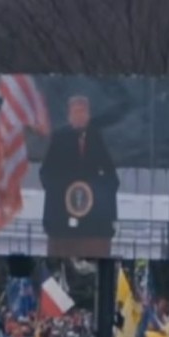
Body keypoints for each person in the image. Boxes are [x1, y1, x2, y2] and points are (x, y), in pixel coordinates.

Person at [39, 95, 119, 258]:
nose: (79, 115)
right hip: (62, 223)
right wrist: (63, 188)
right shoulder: (59, 137)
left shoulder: (96, 137)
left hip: (93, 225)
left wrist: (98, 188)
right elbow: (46, 174)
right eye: (76, 112)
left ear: (89, 115)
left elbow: (111, 176)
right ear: (69, 116)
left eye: (83, 111)